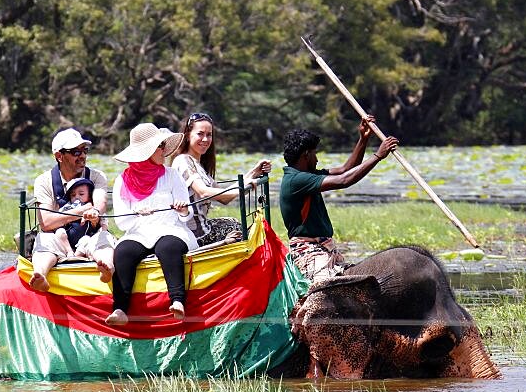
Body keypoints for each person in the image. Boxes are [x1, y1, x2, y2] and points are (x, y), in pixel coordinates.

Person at [279, 116, 398, 283]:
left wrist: (363, 139)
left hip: (324, 246)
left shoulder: (306, 175)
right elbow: (344, 180)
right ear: (306, 155)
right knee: (327, 290)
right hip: (309, 251)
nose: (317, 159)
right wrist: (378, 156)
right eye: (315, 153)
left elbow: (345, 170)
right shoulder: (296, 180)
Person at [105, 123, 198, 326]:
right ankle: (120, 308)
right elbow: (121, 222)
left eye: (163, 144)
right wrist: (136, 213)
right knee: (123, 251)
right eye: (160, 145)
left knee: (168, 247)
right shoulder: (123, 180)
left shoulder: (172, 175)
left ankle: (177, 300)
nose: (164, 150)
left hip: (171, 229)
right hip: (139, 232)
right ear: (146, 152)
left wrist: (183, 209)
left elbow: (187, 213)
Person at [29, 128, 114, 292]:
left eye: (84, 150)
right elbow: (46, 223)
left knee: (104, 237)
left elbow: (100, 204)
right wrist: (84, 210)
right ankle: (40, 275)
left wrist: (94, 211)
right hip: (58, 239)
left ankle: (107, 268)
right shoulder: (44, 181)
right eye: (76, 152)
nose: (82, 156)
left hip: (90, 237)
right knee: (43, 241)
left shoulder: (97, 176)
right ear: (59, 156)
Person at [170, 112, 271, 246]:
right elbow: (203, 191)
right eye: (200, 134)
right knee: (243, 234)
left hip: (205, 228)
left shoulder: (198, 165)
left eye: (209, 135)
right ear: (188, 135)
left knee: (237, 225)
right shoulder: (183, 161)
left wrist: (254, 173)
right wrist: (241, 189)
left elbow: (224, 197)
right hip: (194, 235)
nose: (205, 139)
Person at [51, 177, 105, 258]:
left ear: (89, 196)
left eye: (81, 194)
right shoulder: (67, 207)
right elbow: (59, 218)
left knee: (87, 239)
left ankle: (77, 256)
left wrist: (92, 219)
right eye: (73, 195)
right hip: (68, 238)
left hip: (85, 237)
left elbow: (98, 222)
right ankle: (69, 251)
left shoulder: (92, 208)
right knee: (60, 232)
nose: (76, 197)